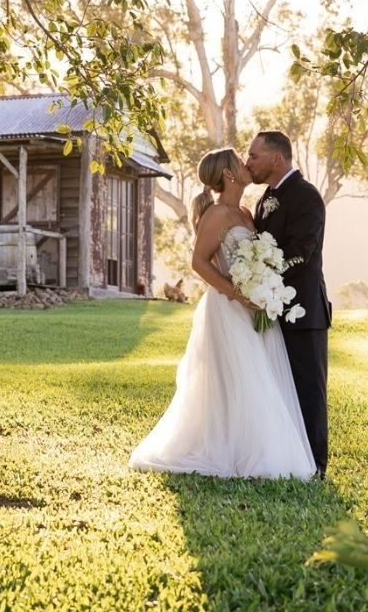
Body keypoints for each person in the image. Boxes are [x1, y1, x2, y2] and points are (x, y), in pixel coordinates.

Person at [129, 147, 316, 480]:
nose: (246, 164)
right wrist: (237, 293)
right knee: (239, 378)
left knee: (259, 377)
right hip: (228, 308)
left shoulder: (245, 211)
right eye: (240, 162)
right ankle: (231, 451)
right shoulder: (216, 214)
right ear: (229, 174)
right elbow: (198, 262)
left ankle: (259, 448)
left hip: (255, 305)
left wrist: (262, 288)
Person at [246, 131, 331, 477]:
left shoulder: (307, 197)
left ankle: (315, 467)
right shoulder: (264, 199)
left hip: (303, 312)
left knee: (308, 391)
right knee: (278, 389)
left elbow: (300, 252)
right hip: (270, 311)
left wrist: (261, 276)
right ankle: (286, 462)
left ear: (276, 158)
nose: (248, 163)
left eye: (254, 156)